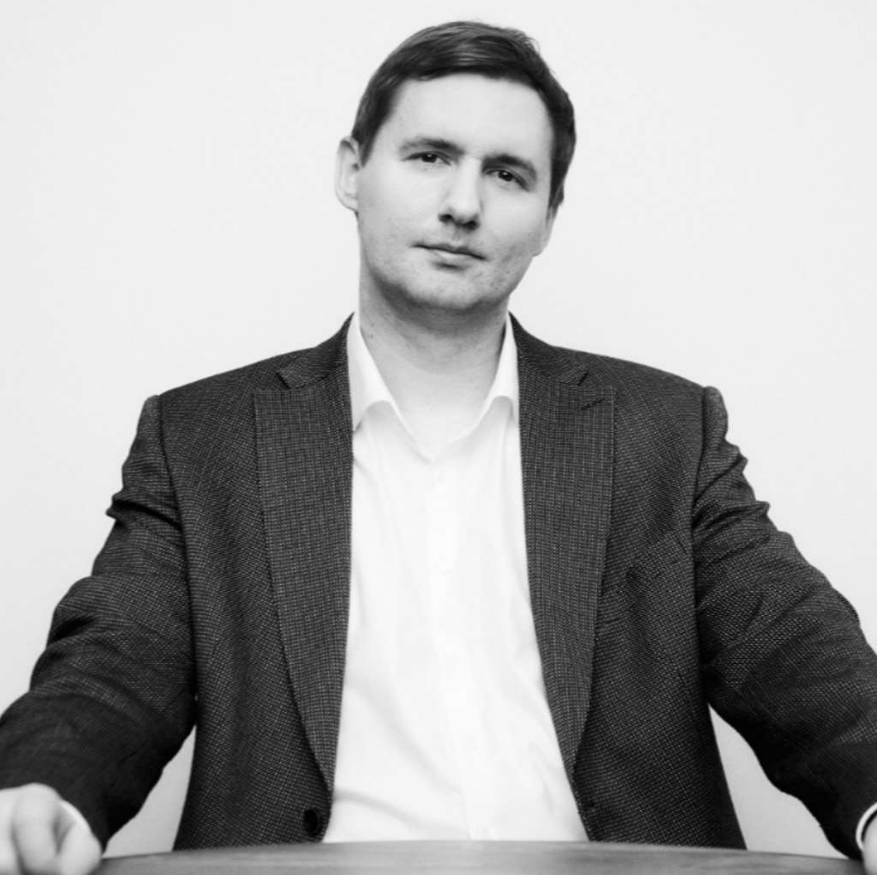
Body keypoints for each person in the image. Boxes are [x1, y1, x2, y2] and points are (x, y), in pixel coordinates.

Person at [1, 19, 877, 875]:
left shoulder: (663, 430)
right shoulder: (203, 438)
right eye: (429, 157)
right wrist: (43, 786)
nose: (463, 204)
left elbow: (795, 649)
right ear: (352, 171)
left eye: (507, 173)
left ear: (548, 214)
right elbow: (113, 666)